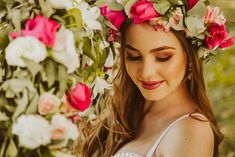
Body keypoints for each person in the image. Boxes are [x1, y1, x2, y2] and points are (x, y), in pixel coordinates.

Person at [76, 0, 233, 157]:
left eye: (163, 57)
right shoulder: (124, 113)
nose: (146, 73)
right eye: (134, 57)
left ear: (191, 59)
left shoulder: (192, 130)